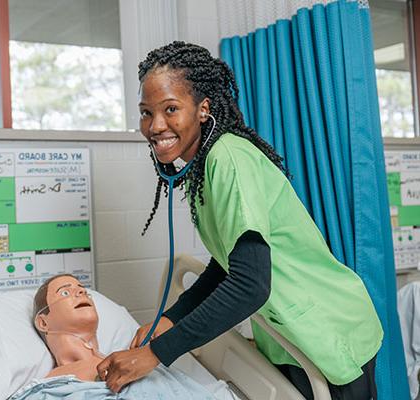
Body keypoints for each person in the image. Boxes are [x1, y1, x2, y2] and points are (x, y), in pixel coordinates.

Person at [96, 41, 383, 400]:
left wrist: (156, 354)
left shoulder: (228, 159)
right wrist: (171, 319)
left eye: (170, 109)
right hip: (294, 332)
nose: (155, 126)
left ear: (203, 109)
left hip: (327, 328)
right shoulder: (205, 166)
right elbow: (228, 265)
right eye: (145, 113)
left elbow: (249, 284)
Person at [27, 273, 238, 400]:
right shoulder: (47, 389)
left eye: (83, 290)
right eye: (65, 292)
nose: (80, 293)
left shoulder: (140, 362)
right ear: (43, 322)